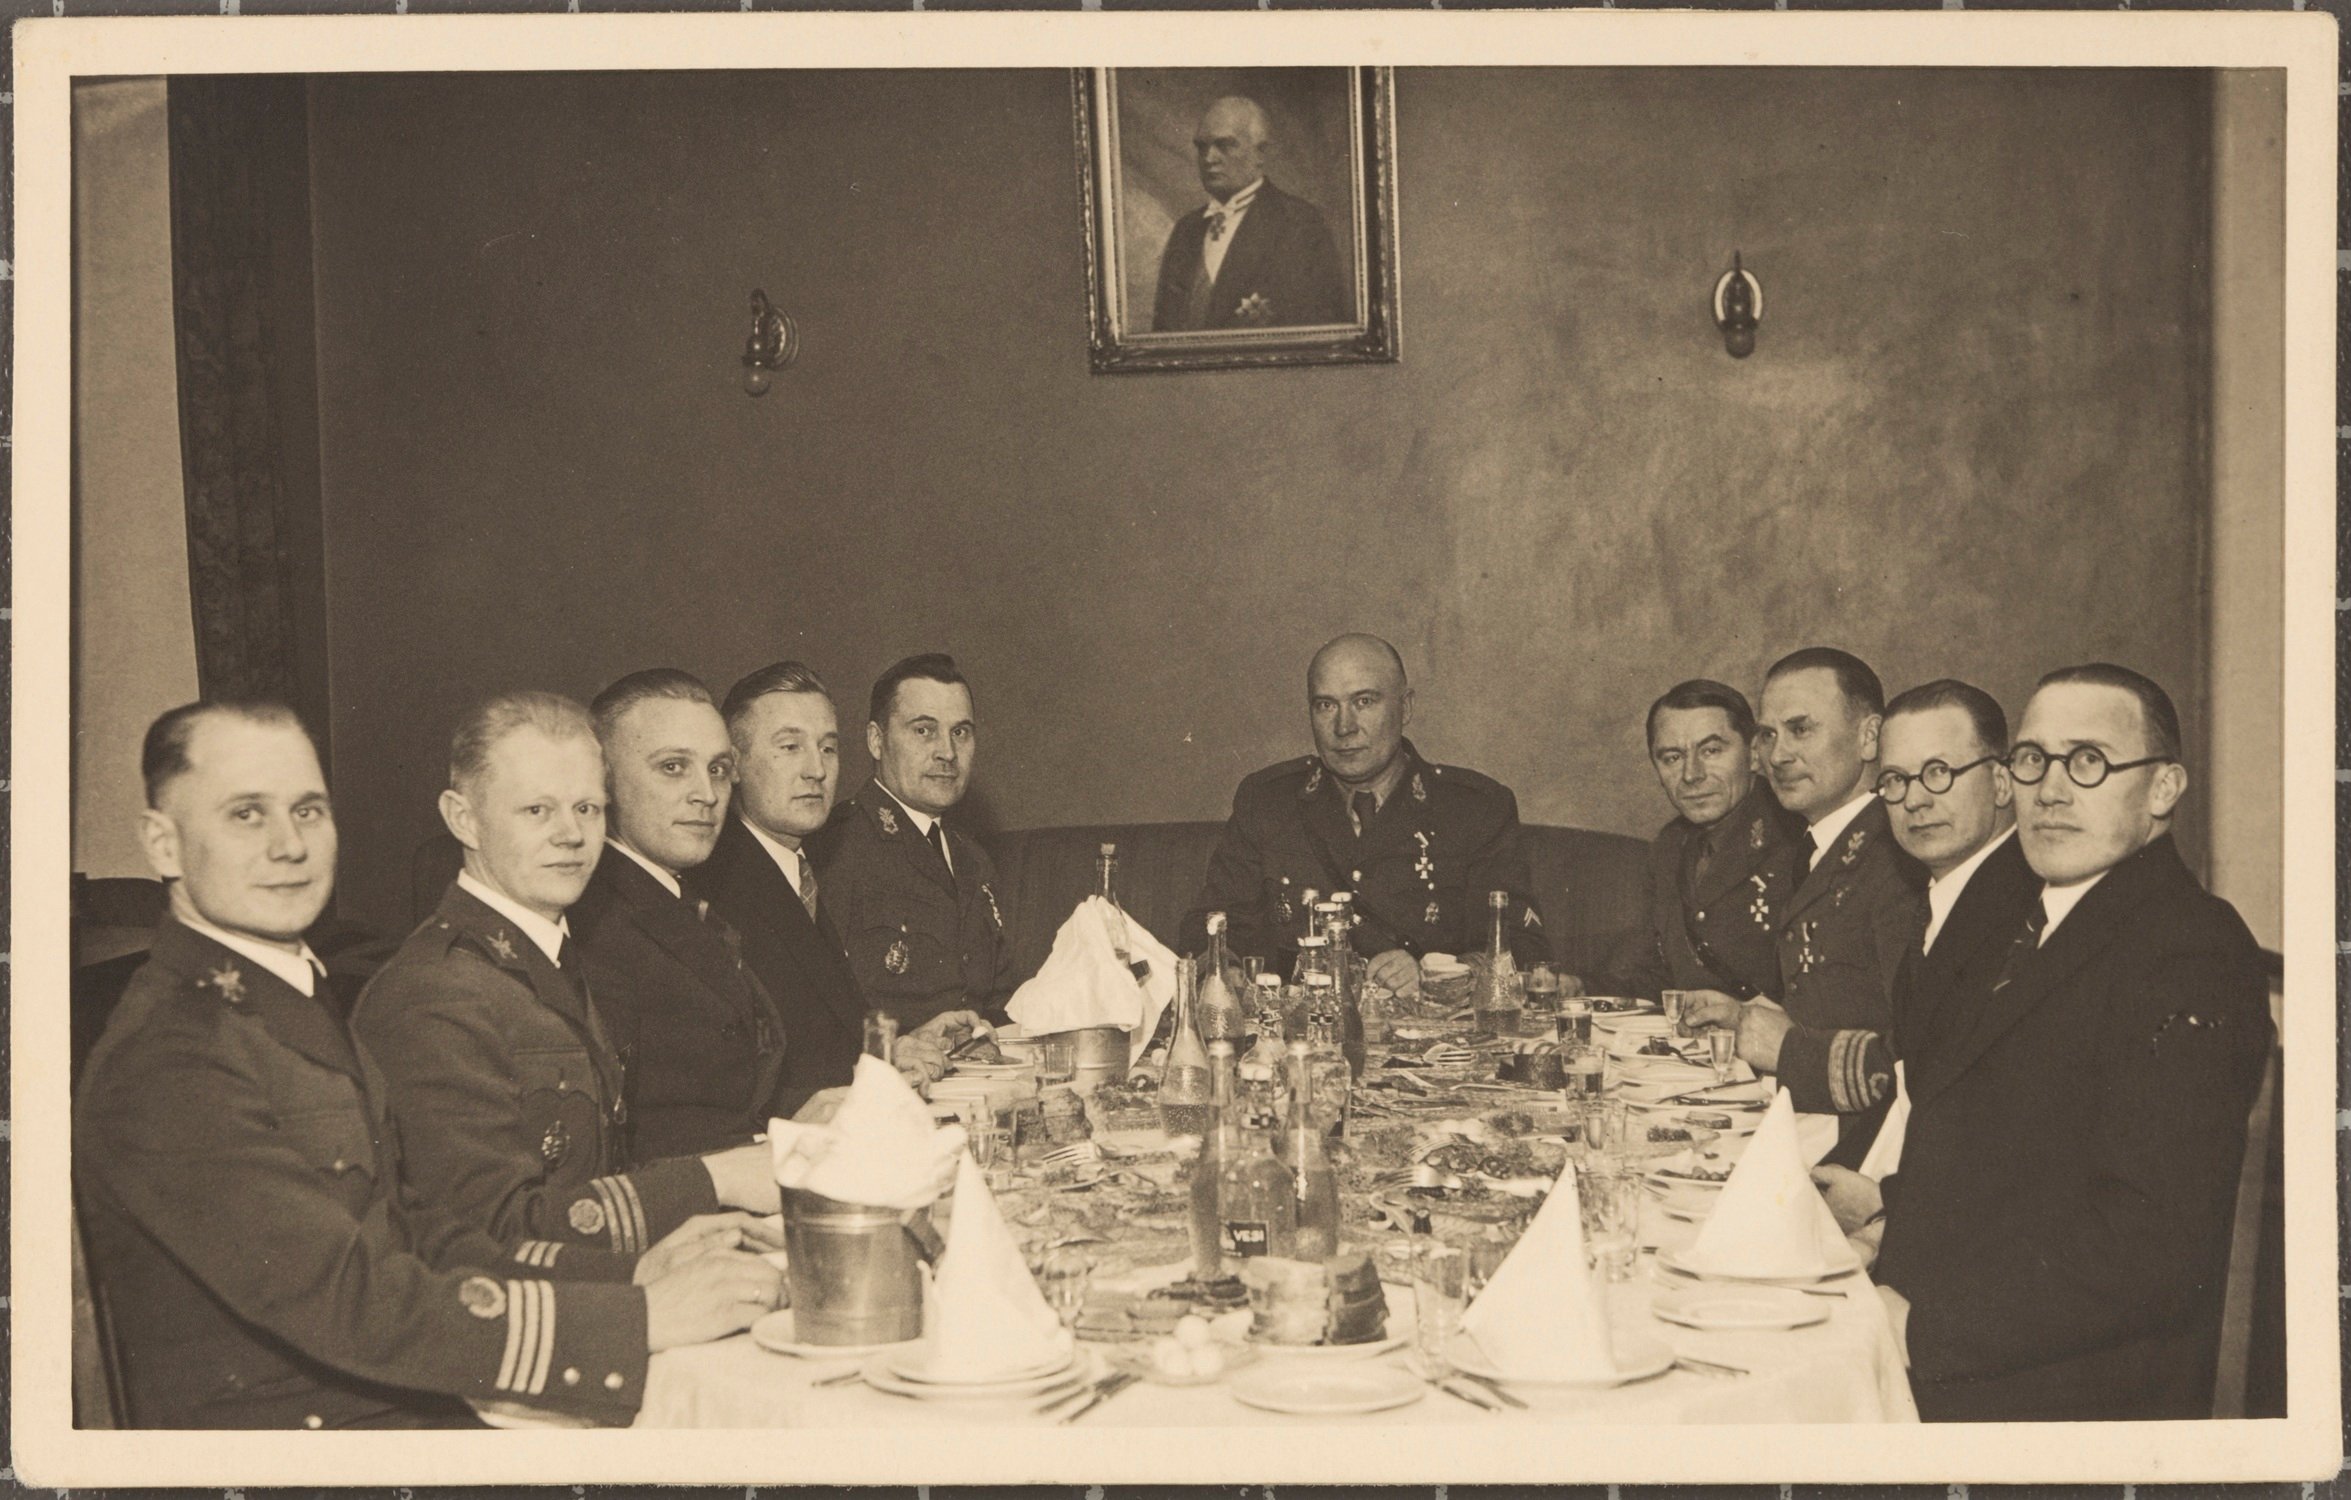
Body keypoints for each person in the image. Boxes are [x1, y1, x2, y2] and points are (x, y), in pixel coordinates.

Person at [75, 700, 784, 1428]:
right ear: (163, 845)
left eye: (309, 811)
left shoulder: (283, 1002)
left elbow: (416, 1230)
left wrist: (626, 1276)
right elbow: (346, 1300)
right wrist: (632, 1320)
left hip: (386, 1398)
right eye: (246, 815)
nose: (289, 846)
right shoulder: (172, 1055)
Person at [1870, 665, 2271, 1421]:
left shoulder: (2190, 952)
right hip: (1965, 1318)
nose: (2049, 790)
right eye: (2032, 760)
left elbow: (2149, 1245)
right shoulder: (2033, 919)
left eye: (2088, 761)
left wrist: (1922, 1329)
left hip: (2065, 1390)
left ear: (2162, 789)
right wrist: (1880, 1227)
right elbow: (2002, 1150)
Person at [354, 691, 783, 1255]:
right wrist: (712, 1181)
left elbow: (592, 1176)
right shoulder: (435, 993)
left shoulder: (549, 961)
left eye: (587, 809)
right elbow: (482, 1239)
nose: (571, 835)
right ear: (464, 819)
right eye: (537, 810)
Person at [1180, 634, 1547, 1000]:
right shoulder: (1268, 802)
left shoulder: (1474, 809)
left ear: (1405, 708)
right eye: (1326, 705)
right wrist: (1224, 972)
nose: (1344, 727)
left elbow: (1520, 948)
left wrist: (1436, 975)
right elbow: (1210, 923)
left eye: (1364, 702)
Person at [695, 661, 986, 1100]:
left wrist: (894, 1047)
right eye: (790, 747)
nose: (816, 769)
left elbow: (818, 1038)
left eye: (828, 748)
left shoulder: (796, 870)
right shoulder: (717, 886)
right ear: (733, 764)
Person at [1681, 648, 1925, 1157]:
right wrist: (1746, 1017)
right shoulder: (1823, 847)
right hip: (1814, 1118)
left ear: (1869, 737)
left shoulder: (1898, 858)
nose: (1777, 756)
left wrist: (1788, 1050)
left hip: (1865, 1147)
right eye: (1768, 735)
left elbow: (1921, 1058)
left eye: (1800, 729)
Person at [1803, 679, 2040, 1202]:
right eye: (1895, 780)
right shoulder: (1946, 896)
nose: (1914, 800)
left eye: (1939, 773)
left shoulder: (2028, 915)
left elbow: (2008, 1138)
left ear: (2002, 783)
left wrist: (1883, 1206)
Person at [565, 669, 793, 1160]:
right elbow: (622, 1142)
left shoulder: (673, 895)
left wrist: (793, 1124)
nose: (707, 794)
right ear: (601, 781)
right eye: (673, 767)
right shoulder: (592, 921)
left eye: (718, 769)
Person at [817, 653, 1016, 1030]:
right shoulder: (835, 849)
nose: (947, 752)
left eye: (960, 732)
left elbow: (999, 1001)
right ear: (876, 741)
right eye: (924, 730)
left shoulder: (975, 861)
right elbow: (814, 1014)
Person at [1583, 679, 1804, 1000]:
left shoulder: (1797, 837)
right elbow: (1658, 978)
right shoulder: (1670, 847)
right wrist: (1579, 990)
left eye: (1711, 751)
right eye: (1672, 758)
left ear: (1755, 753)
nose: (1691, 774)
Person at [1151, 95, 1349, 333]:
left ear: (1260, 153)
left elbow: (1322, 328)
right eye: (1202, 147)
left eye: (1225, 145)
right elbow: (1163, 331)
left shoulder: (1300, 223)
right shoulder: (1186, 229)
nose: (1209, 158)